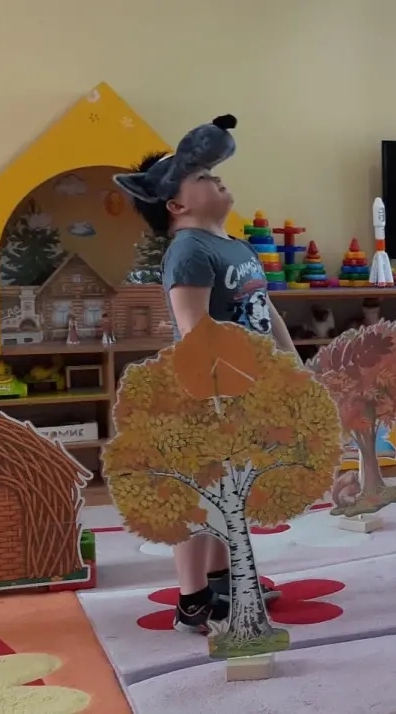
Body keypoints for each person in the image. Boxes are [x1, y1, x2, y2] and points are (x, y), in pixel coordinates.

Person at [114, 114, 297, 634]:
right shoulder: (189, 250)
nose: (216, 179)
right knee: (200, 497)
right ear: (176, 205)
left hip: (247, 387)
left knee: (231, 490)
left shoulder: (237, 247)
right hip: (206, 392)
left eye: (215, 174)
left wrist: (289, 364)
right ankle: (192, 598)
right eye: (202, 177)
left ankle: (223, 579)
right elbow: (193, 327)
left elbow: (265, 309)